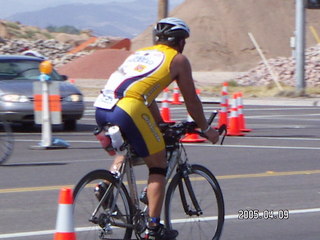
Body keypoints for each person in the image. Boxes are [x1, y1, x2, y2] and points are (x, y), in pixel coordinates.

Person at [94, 17, 219, 240]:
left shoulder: (142, 54)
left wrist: (159, 123)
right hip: (129, 108)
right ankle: (153, 227)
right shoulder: (178, 60)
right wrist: (206, 128)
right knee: (158, 163)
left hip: (103, 105)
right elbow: (191, 100)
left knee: (128, 149)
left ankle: (107, 184)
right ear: (180, 42)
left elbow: (145, 93)